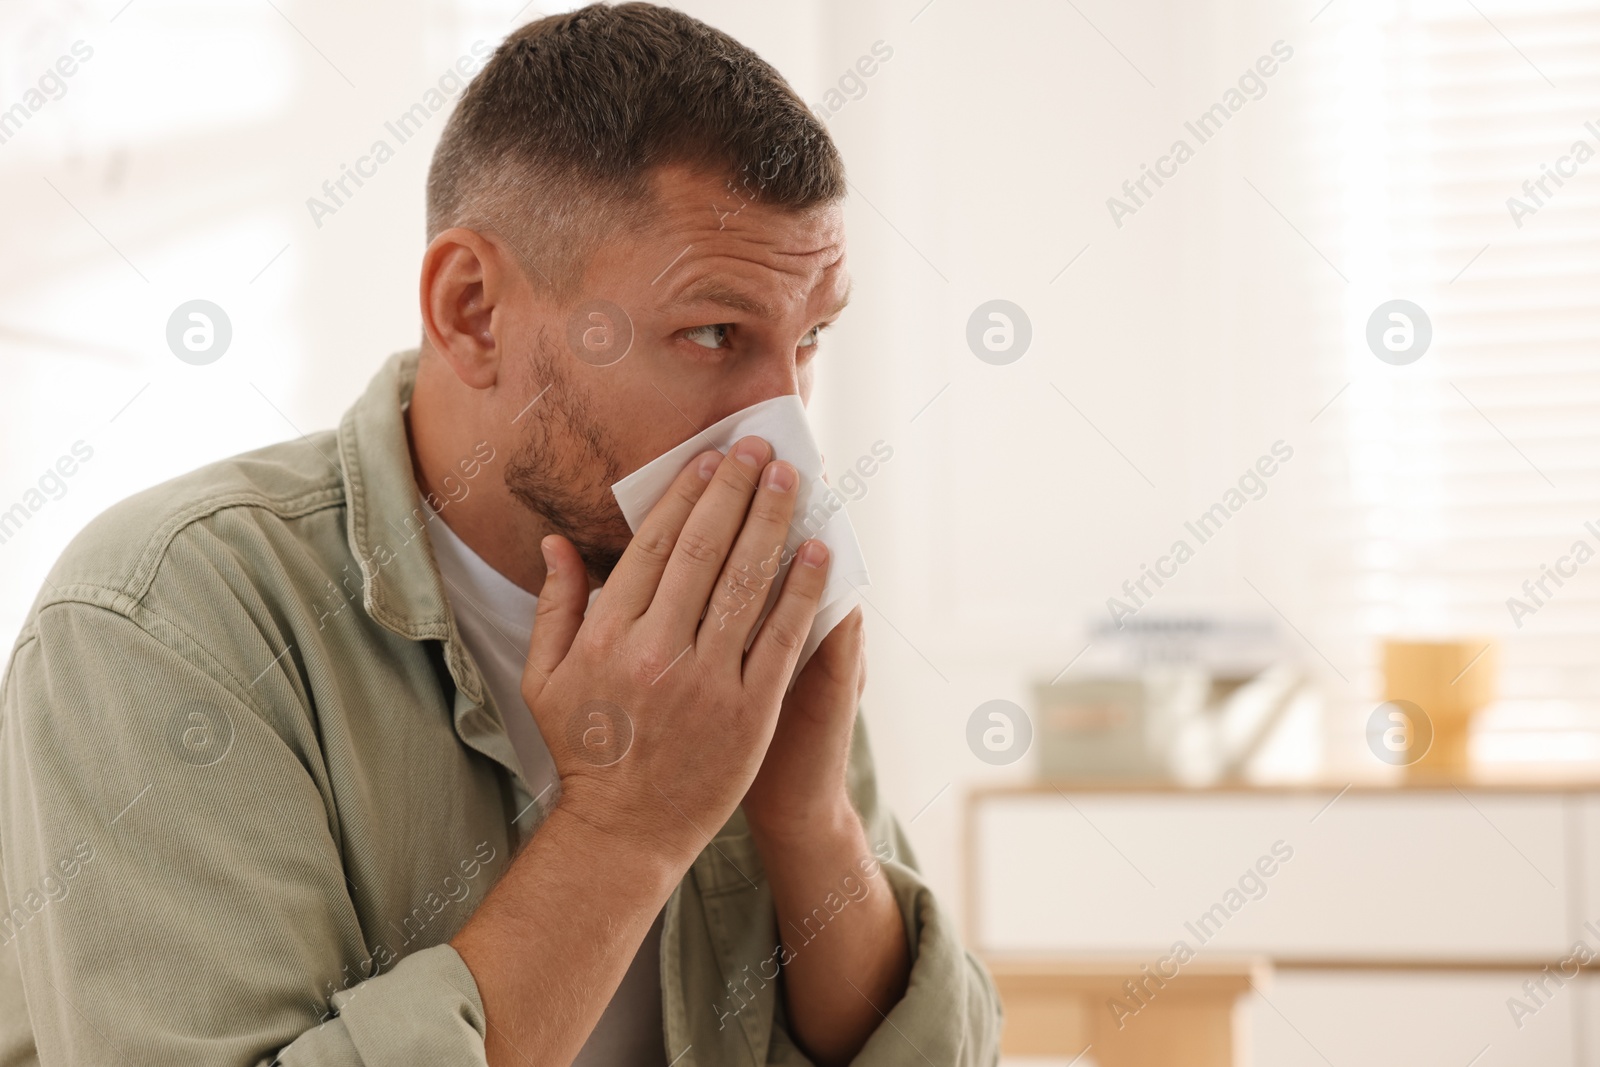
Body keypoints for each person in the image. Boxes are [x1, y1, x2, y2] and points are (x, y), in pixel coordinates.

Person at [0, 4, 1002, 1065]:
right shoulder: (164, 623)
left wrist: (807, 820)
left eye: (809, 338)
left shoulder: (727, 601)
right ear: (472, 311)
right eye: (713, 332)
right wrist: (627, 829)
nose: (785, 429)